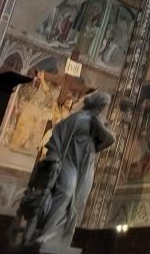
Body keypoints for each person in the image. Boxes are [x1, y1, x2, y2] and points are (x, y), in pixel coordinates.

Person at [29, 92, 115, 249]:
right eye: (102, 105)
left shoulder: (100, 122)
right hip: (70, 159)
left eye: (105, 106)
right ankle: (48, 233)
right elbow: (58, 134)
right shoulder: (77, 118)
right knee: (66, 193)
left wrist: (99, 126)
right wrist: (54, 157)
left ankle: (64, 237)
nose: (103, 108)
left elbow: (110, 139)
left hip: (86, 164)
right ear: (96, 104)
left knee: (79, 200)